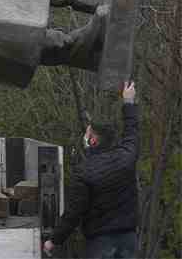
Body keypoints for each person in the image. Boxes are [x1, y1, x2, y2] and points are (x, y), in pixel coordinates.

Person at [43, 81, 139, 258]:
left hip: (100, 243)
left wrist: (54, 240)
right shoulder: (126, 156)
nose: (84, 137)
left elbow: (74, 213)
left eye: (87, 134)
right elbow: (131, 130)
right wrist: (128, 102)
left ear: (92, 140)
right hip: (128, 240)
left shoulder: (84, 171)